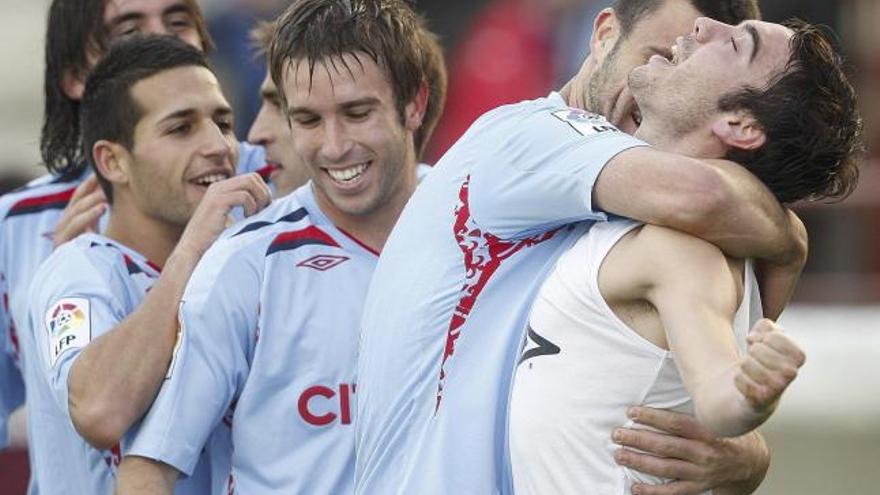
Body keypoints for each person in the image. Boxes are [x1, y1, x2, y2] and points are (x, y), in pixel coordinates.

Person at [353, 2, 858, 495]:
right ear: (602, 38)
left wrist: (744, 440)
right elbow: (704, 195)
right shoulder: (532, 136)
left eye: (685, 56)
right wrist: (791, 245)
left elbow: (717, 389)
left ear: (742, 124)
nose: (689, 44)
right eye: (660, 53)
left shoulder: (675, 233)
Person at [509, 18, 860, 494]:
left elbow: (719, 395)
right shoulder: (619, 208)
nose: (704, 24)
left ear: (740, 125)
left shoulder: (682, 250)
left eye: (736, 43)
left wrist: (751, 394)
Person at [113, 1, 446, 493]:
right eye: (309, 120)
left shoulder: (479, 230)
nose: (334, 147)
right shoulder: (246, 263)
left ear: (414, 103)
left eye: (357, 113)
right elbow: (147, 468)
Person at [0, 0, 268, 463]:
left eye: (179, 21)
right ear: (75, 77)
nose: (161, 38)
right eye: (128, 27)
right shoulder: (18, 226)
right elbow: (99, 411)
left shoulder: (274, 188)